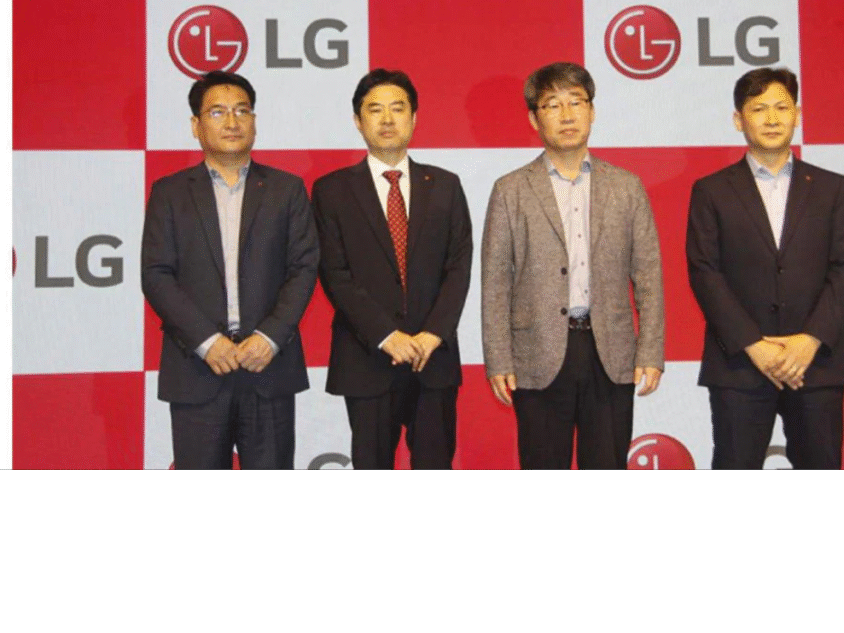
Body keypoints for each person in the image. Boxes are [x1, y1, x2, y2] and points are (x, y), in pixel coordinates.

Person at [481, 61, 665, 470]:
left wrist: (651, 350)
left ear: (592, 111)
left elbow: (648, 276)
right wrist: (499, 359)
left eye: (576, 102)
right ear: (534, 119)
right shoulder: (510, 190)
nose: (567, 115)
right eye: (552, 105)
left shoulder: (626, 186)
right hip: (537, 352)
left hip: (610, 352)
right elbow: (495, 282)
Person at [141, 70, 319, 469]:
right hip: (197, 369)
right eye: (218, 112)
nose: (232, 121)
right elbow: (156, 274)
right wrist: (208, 341)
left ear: (254, 121)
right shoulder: (169, 193)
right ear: (196, 125)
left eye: (242, 110)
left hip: (268, 367)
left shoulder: (287, 190)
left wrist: (269, 337)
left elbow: (304, 267)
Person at [686, 67, 844, 470]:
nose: (771, 118)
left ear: (797, 115)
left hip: (816, 363)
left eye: (781, 108)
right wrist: (755, 346)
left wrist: (810, 340)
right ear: (738, 119)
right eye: (758, 109)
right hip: (740, 364)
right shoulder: (711, 190)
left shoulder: (832, 187)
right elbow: (704, 272)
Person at [312, 69, 472, 470]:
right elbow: (335, 274)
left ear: (414, 118)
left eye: (397, 109)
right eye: (375, 110)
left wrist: (433, 333)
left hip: (433, 358)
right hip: (367, 358)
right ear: (358, 120)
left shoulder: (446, 185)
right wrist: (387, 335)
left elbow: (459, 266)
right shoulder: (331, 190)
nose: (387, 119)